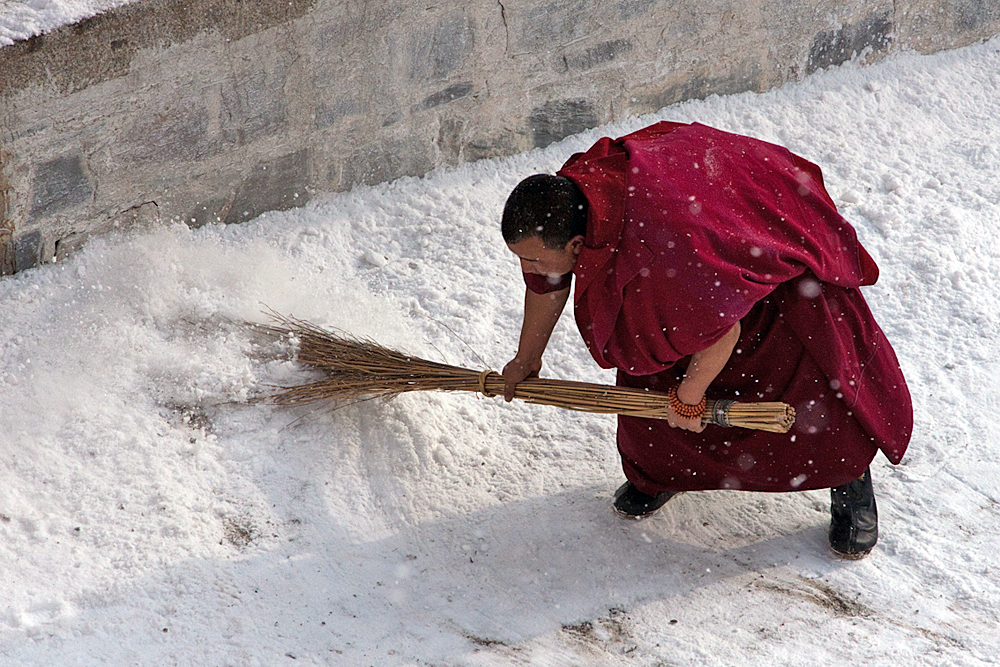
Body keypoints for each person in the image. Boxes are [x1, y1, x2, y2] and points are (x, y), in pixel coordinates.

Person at [499, 121, 912, 559]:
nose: (528, 265)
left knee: (811, 401)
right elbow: (547, 280)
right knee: (653, 385)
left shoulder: (660, 245)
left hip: (762, 260)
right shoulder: (576, 202)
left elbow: (720, 329)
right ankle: (658, 476)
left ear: (579, 244)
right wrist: (527, 358)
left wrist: (692, 395)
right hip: (701, 248)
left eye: (530, 257)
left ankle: (849, 482)